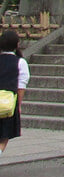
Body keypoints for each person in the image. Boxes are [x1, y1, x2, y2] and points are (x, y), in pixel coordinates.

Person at [0, 29, 29, 158]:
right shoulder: (20, 62)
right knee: (4, 135)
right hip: (8, 103)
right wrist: (19, 105)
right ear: (17, 45)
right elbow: (21, 87)